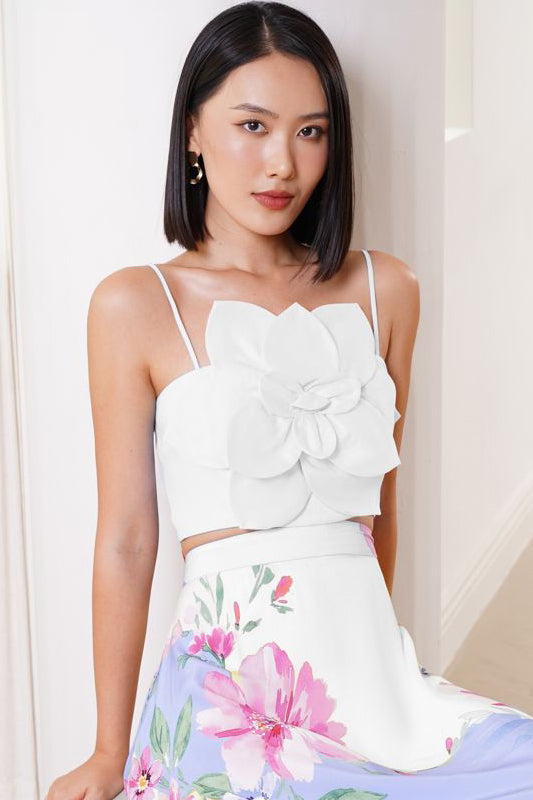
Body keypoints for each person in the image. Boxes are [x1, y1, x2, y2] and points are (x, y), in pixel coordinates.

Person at [45, 3, 533, 799]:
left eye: (311, 132)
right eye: (252, 126)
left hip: (371, 689)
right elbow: (128, 540)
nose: (282, 164)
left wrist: (375, 669)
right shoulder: (134, 305)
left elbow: (381, 514)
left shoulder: (385, 289)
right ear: (192, 131)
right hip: (225, 698)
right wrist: (106, 751)